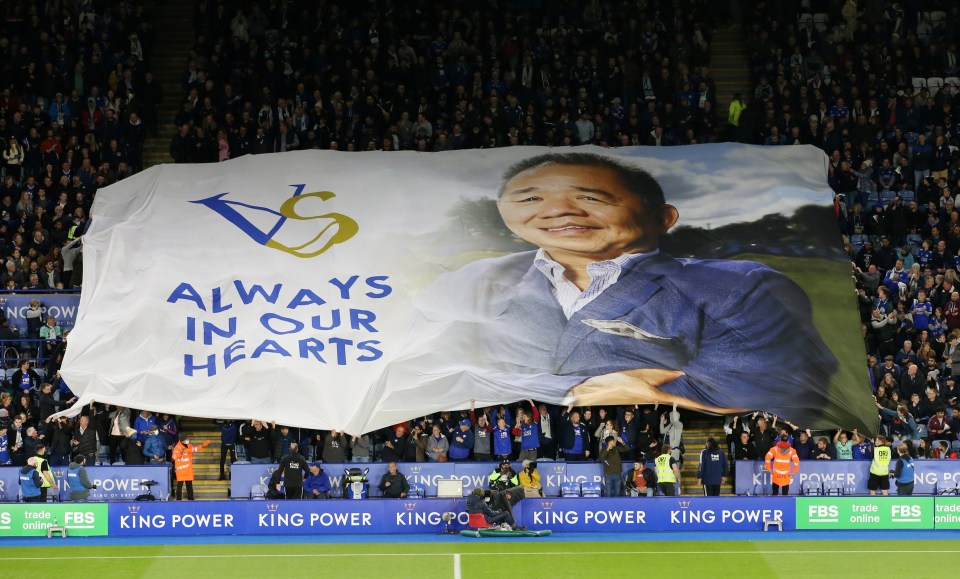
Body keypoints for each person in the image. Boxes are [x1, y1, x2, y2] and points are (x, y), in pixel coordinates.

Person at [375, 152, 840, 428]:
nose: (557, 211)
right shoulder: (473, 282)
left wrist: (660, 397)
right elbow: (414, 363)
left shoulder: (739, 287)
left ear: (663, 218)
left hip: (649, 434)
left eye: (590, 197)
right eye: (530, 198)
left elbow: (779, 387)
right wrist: (655, 381)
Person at [172, 433, 210, 500]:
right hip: (181, 471)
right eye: (186, 439)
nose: (188, 440)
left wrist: (202, 446)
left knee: (189, 485)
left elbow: (194, 449)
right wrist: (182, 453)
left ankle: (191, 499)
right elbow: (174, 457)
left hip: (188, 470)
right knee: (179, 485)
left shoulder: (189, 446)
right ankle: (178, 499)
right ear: (183, 440)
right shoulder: (177, 447)